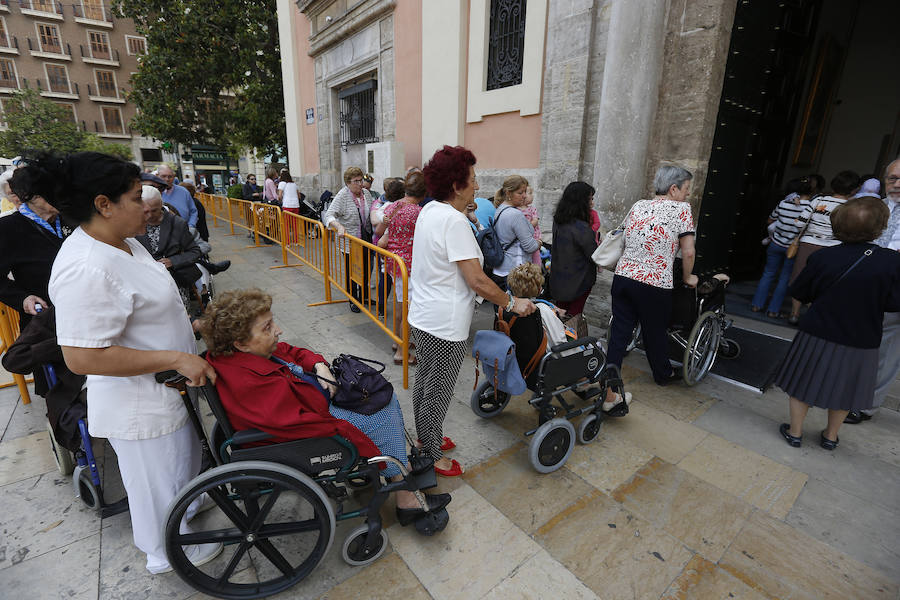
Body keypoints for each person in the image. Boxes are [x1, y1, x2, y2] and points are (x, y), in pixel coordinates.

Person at [25, 152, 219, 575]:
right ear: (103, 204)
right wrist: (173, 356)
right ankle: (164, 551)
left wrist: (191, 327)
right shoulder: (86, 266)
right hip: (139, 398)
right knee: (154, 479)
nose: (150, 208)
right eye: (135, 198)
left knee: (177, 463)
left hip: (168, 387)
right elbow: (82, 356)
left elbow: (144, 308)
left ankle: (183, 511)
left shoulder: (125, 242)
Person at [199, 289, 450, 522]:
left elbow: (294, 351)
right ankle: (404, 493)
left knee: (379, 394)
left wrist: (319, 365)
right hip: (303, 433)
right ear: (240, 343)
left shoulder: (247, 354)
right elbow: (299, 424)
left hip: (308, 411)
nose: (277, 330)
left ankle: (396, 466)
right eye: (267, 327)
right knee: (379, 410)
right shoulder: (249, 383)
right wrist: (344, 423)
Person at [410, 145, 536, 476]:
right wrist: (512, 302)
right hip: (443, 323)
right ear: (456, 184)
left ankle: (427, 438)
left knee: (425, 381)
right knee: (437, 390)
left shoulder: (430, 210)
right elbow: (478, 280)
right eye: (473, 180)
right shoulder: (452, 221)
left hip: (422, 315)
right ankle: (431, 454)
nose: (477, 187)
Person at [774, 197, 900, 450]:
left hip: (818, 331)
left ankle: (796, 432)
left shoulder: (823, 257)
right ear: (880, 227)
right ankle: (830, 437)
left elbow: (800, 291)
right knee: (847, 389)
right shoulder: (892, 262)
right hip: (862, 338)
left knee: (802, 383)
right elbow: (894, 303)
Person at [606, 165, 697, 407]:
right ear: (674, 188)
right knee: (654, 331)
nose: (688, 194)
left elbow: (624, 237)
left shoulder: (638, 205)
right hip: (654, 282)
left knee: (619, 334)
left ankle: (609, 388)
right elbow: (688, 252)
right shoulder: (681, 209)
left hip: (624, 276)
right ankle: (662, 374)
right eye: (687, 189)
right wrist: (688, 278)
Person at [1, 168, 73, 326]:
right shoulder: (8, 228)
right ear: (29, 196)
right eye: (50, 192)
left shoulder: (73, 220)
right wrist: (23, 298)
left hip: (85, 314)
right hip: (45, 322)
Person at [787, 170, 860, 325]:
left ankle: (794, 314)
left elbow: (799, 223)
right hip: (833, 248)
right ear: (854, 189)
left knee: (800, 277)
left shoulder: (818, 201)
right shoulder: (850, 207)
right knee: (823, 281)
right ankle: (812, 315)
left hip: (808, 244)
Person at [859, 158, 900, 424]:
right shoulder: (873, 208)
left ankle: (866, 406)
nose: (897, 184)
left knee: (887, 351)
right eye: (892, 178)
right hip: (865, 285)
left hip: (896, 289)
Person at [377, 174, 424, 365]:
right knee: (408, 310)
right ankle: (402, 353)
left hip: (394, 263)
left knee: (399, 304)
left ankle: (398, 342)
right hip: (409, 266)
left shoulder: (395, 205)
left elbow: (381, 232)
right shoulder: (418, 212)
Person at [750, 177, 810, 318]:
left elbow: (770, 220)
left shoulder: (783, 203)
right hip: (793, 248)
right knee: (784, 278)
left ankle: (756, 305)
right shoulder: (810, 207)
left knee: (768, 274)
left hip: (776, 243)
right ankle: (773, 310)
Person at [135, 186, 203, 301]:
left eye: (154, 210)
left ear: (162, 205)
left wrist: (173, 261)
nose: (150, 216)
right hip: (145, 284)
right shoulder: (134, 222)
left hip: (174, 283)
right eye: (145, 211)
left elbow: (195, 251)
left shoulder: (177, 223)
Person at [322, 167, 374, 313]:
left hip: (366, 238)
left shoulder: (366, 193)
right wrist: (338, 226)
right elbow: (329, 215)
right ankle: (353, 298)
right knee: (352, 270)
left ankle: (364, 296)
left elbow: (371, 213)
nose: (360, 184)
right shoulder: (342, 195)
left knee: (366, 268)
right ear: (348, 183)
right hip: (350, 240)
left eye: (361, 180)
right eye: (356, 181)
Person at [549, 181, 599, 317]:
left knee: (558, 315)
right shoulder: (582, 228)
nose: (592, 203)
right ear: (581, 201)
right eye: (590, 199)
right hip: (579, 280)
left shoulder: (559, 221)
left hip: (559, 278)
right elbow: (594, 254)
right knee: (573, 317)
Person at [491, 175, 541, 289]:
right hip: (516, 272)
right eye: (520, 193)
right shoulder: (516, 215)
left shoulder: (499, 210)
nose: (524, 196)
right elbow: (530, 246)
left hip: (501, 269)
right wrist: (539, 242)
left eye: (525, 192)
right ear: (508, 193)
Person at [157, 165, 198, 230]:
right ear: (157, 176)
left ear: (174, 177)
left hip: (184, 232)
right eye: (163, 176)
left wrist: (191, 226)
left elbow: (193, 211)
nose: (167, 179)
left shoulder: (183, 191)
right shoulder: (154, 193)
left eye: (170, 176)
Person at [518, 186, 542, 264]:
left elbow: (535, 221)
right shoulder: (516, 210)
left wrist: (525, 227)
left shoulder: (532, 209)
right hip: (522, 240)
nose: (533, 196)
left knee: (536, 257)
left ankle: (537, 270)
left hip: (534, 239)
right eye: (530, 193)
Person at [278, 170, 301, 243]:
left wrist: (280, 200)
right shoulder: (294, 184)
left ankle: (287, 242)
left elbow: (279, 196)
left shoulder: (282, 183)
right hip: (296, 205)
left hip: (287, 205)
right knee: (295, 224)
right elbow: (299, 196)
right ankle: (296, 241)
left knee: (286, 224)